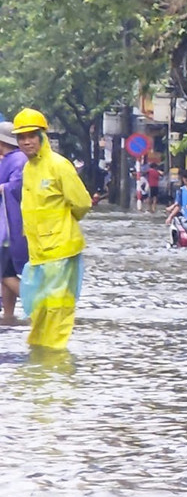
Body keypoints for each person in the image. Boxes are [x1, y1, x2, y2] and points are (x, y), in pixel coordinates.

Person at [12, 109, 91, 350]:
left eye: (31, 136)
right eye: (21, 137)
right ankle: (40, 357)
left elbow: (82, 203)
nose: (26, 141)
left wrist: (63, 225)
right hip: (38, 252)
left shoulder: (59, 165)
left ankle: (54, 358)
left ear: (42, 136)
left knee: (57, 306)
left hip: (61, 249)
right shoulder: (28, 169)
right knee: (39, 307)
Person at [0, 122, 25, 323]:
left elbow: (16, 187)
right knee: (5, 271)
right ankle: (8, 315)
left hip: (8, 226)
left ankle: (38, 305)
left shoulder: (17, 160)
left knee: (5, 274)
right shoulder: (11, 159)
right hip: (9, 225)